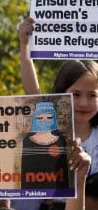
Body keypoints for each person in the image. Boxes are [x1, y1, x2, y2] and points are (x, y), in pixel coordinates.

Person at [19, 17, 98, 174]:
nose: (83, 103)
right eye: (75, 94)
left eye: (92, 95)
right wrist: (24, 45)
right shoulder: (50, 126)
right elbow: (32, 90)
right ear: (61, 93)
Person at [21, 101, 70, 189]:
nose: (44, 120)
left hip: (58, 191)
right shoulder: (27, 140)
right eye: (40, 117)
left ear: (53, 119)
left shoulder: (61, 139)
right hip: (31, 191)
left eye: (49, 117)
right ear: (35, 119)